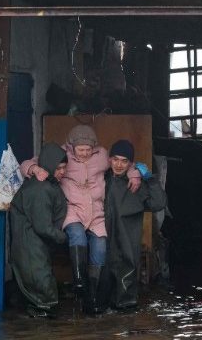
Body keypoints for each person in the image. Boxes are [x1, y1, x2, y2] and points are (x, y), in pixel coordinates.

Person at [21, 125, 141, 314]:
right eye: (80, 149)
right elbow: (29, 163)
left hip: (96, 211)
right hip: (73, 208)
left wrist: (135, 174)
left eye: (88, 150)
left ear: (94, 147)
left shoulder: (102, 156)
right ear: (71, 147)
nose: (85, 153)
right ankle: (79, 281)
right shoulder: (62, 155)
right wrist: (35, 169)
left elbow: (125, 164)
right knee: (77, 235)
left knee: (100, 244)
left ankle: (92, 294)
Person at [104, 140, 167, 310]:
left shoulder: (136, 184)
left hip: (127, 236)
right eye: (115, 159)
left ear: (131, 163)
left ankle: (126, 313)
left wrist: (150, 179)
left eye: (124, 161)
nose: (118, 164)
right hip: (105, 235)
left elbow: (159, 203)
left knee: (127, 269)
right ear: (109, 159)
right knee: (104, 270)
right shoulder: (103, 178)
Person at [9, 143, 68, 318]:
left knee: (40, 288)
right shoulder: (40, 189)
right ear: (49, 166)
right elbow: (43, 226)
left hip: (35, 243)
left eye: (64, 168)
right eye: (58, 168)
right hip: (31, 244)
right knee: (42, 289)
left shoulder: (48, 184)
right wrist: (63, 238)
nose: (62, 172)